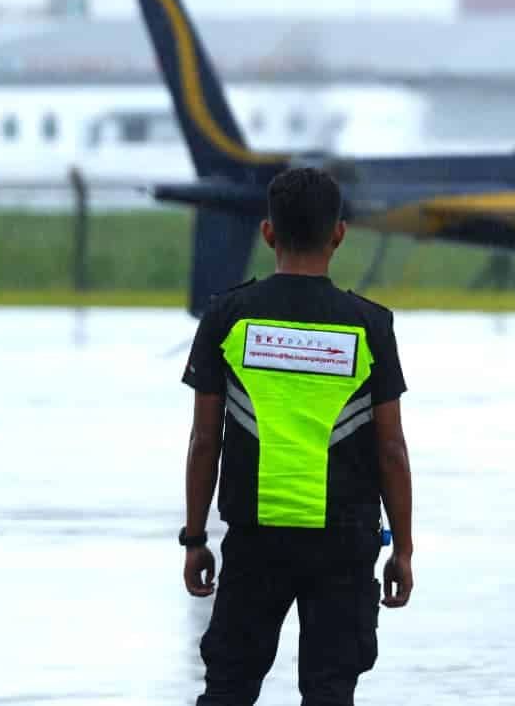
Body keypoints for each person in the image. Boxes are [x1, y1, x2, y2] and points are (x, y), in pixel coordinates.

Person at [179, 167, 414, 705]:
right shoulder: (369, 326)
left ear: (267, 233)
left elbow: (203, 441)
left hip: (255, 537)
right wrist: (402, 547)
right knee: (330, 691)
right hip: (344, 540)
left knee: (229, 689)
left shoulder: (227, 317)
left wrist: (196, 537)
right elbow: (391, 450)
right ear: (339, 234)